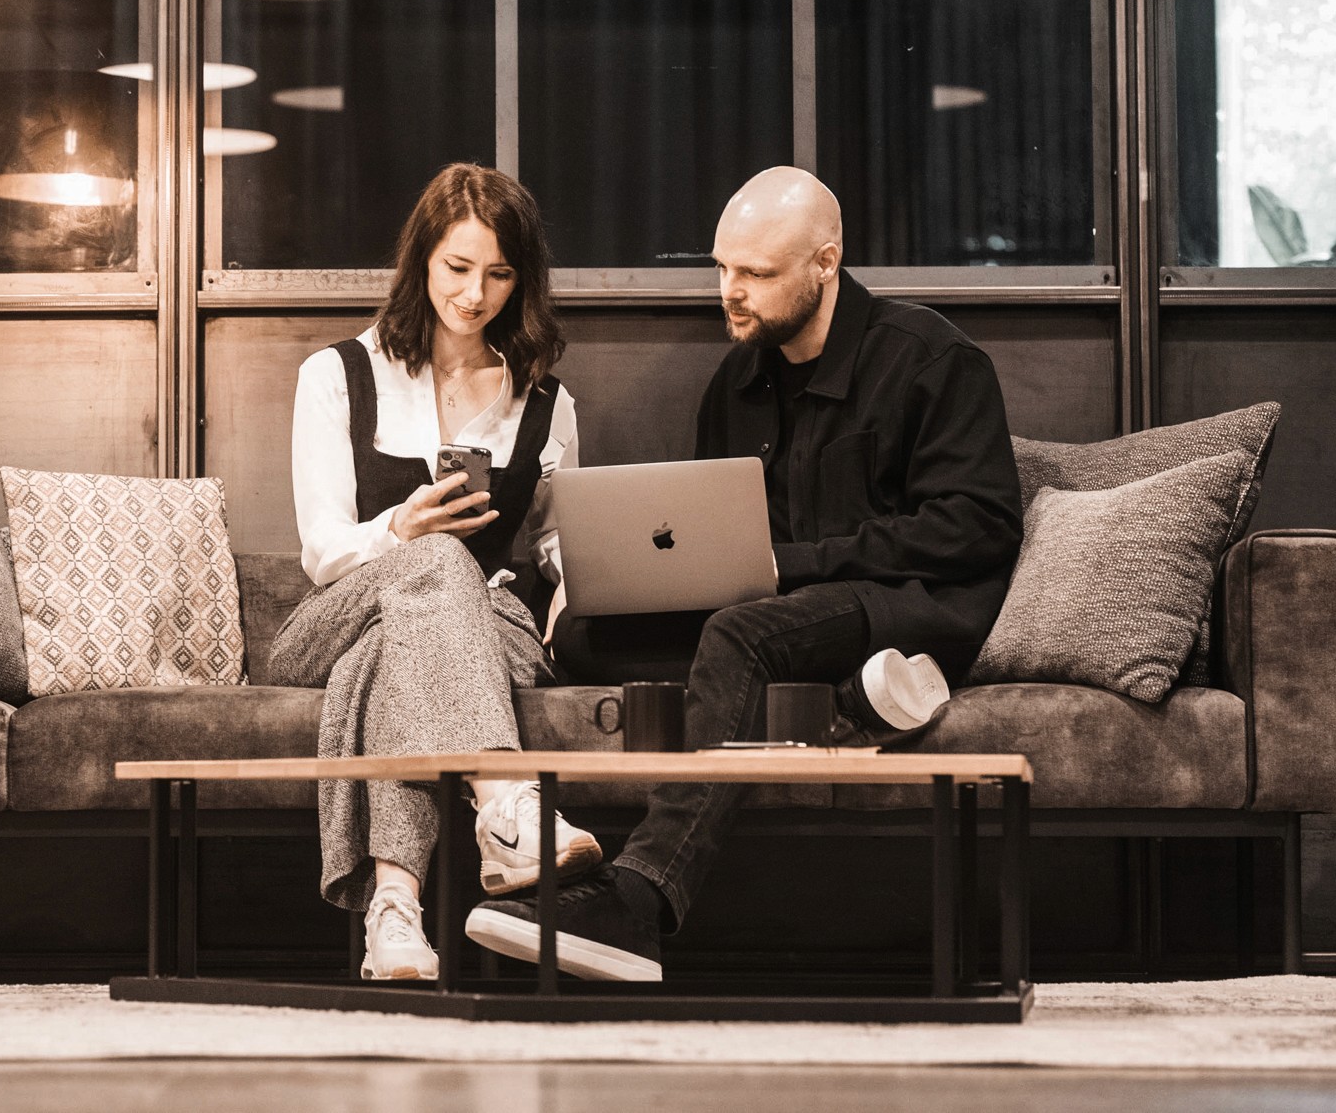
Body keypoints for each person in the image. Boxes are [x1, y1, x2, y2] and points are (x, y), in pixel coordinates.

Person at [466, 166, 1025, 982]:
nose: (730, 290)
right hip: (783, 616)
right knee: (587, 636)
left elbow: (978, 526)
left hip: (908, 605)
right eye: (723, 267)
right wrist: (643, 578)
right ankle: (843, 709)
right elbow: (709, 530)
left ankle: (638, 899)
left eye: (756, 273)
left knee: (737, 635)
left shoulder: (930, 358)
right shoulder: (737, 379)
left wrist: (785, 565)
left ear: (826, 262)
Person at [269, 162, 599, 982]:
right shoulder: (337, 375)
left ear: (521, 280)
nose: (474, 294)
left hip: (490, 626)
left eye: (499, 273)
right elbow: (321, 548)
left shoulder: (546, 403)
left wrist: (584, 601)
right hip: (335, 615)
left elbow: (559, 544)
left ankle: (394, 913)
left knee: (390, 660)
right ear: (422, 258)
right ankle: (507, 801)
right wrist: (403, 529)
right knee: (437, 559)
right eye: (457, 267)